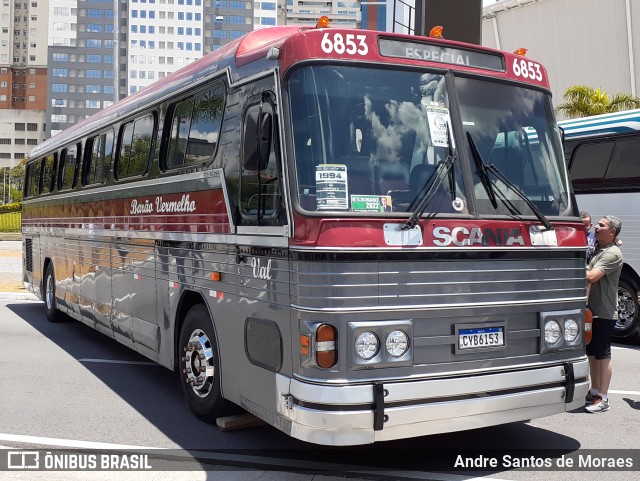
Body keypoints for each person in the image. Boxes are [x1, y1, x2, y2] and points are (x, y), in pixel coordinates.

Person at [585, 215, 623, 413]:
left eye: (601, 225)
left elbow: (591, 276)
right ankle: (595, 390)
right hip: (591, 311)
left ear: (612, 232)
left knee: (602, 354)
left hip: (604, 312)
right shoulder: (598, 250)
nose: (597, 227)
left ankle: (604, 397)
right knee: (591, 354)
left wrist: (570, 266)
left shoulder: (613, 253)